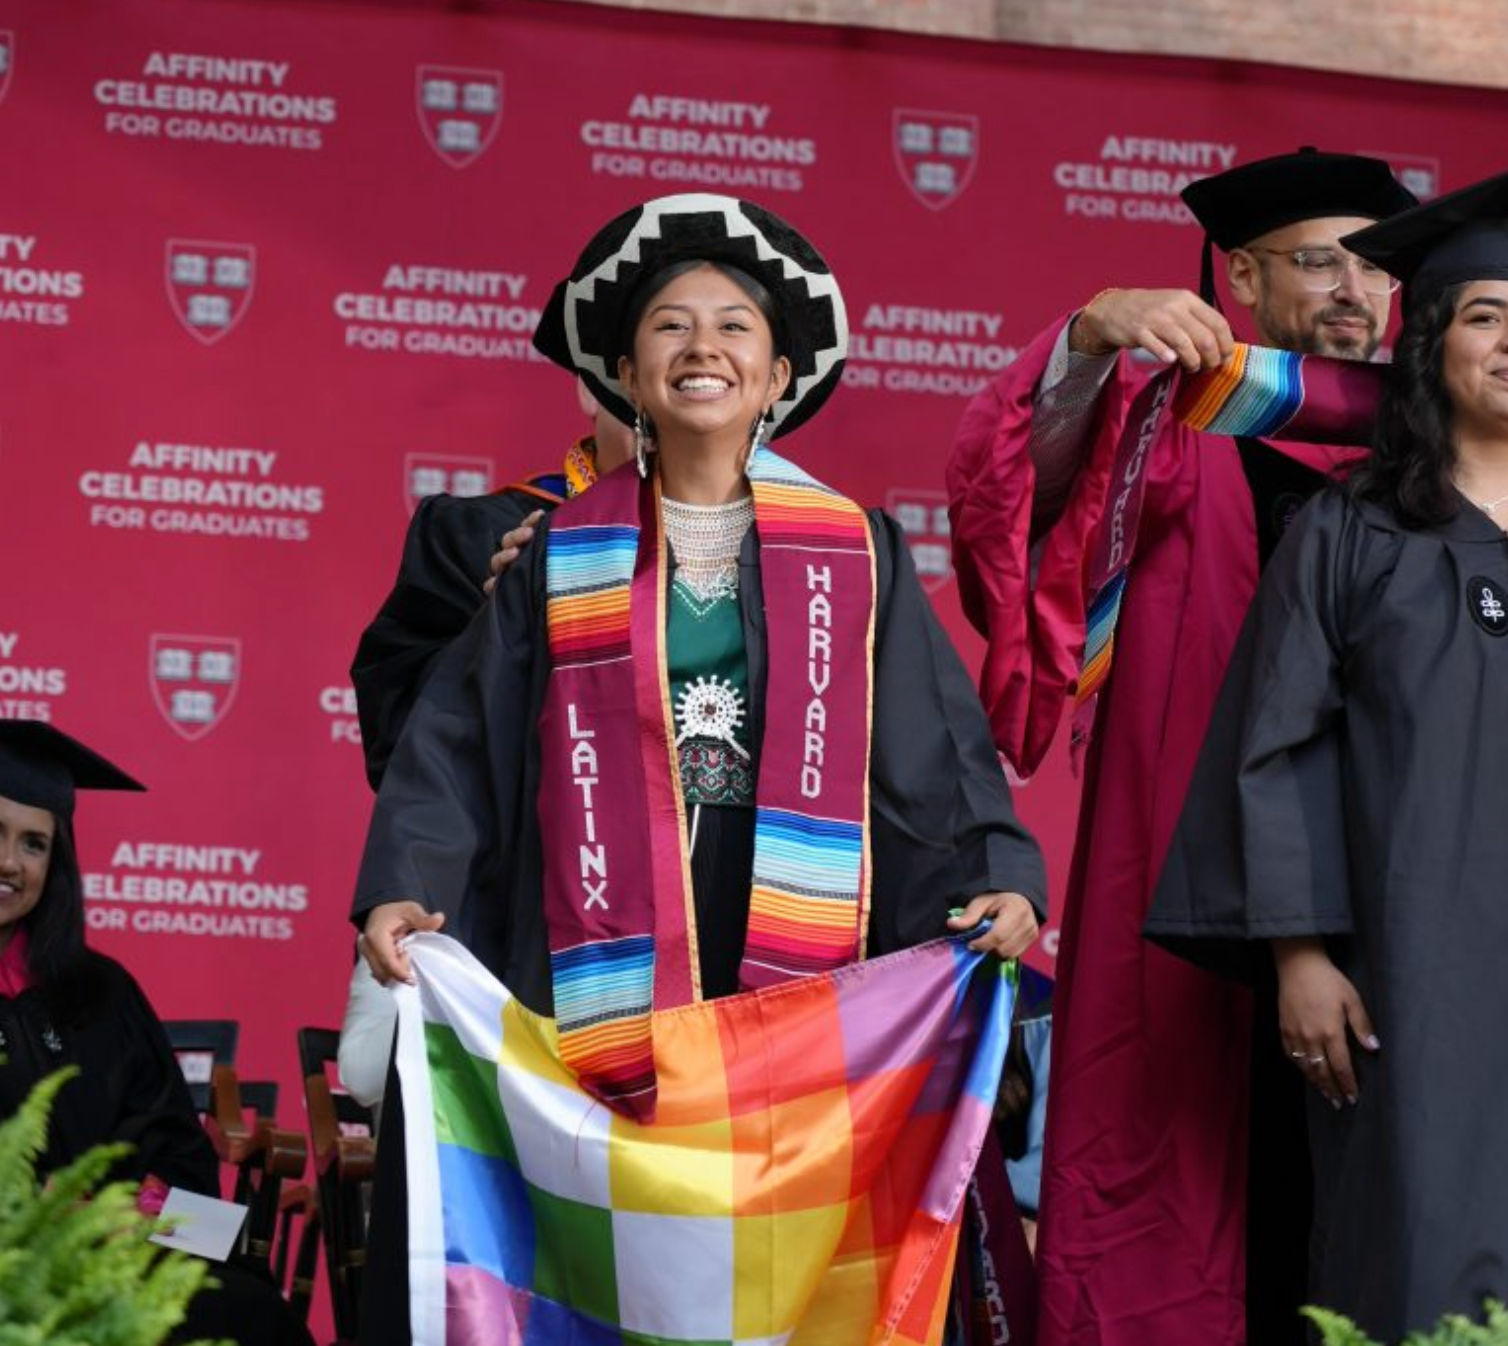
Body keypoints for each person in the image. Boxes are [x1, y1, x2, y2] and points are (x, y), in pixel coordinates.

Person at [352, 193, 1048, 1342]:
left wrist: (992, 868)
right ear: (625, 370)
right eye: (670, 327)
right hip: (588, 926)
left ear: (778, 376)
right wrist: (402, 879)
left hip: (780, 925)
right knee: (609, 1237)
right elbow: (454, 737)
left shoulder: (857, 549)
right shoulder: (554, 556)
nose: (702, 348)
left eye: (734, 327)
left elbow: (929, 749)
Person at [946, 148, 1418, 1345]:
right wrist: (1085, 338)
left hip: (1394, 860)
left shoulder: (1432, 442)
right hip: (1191, 859)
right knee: (1185, 1159)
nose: (1354, 291)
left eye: (1373, 265)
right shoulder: (1165, 422)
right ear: (1242, 278)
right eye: (1318, 261)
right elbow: (1012, 499)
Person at [1148, 168, 1508, 1342]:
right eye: (1482, 316)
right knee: (1408, 1234)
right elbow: (1276, 741)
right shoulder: (1355, 527)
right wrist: (1299, 953)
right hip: (1408, 970)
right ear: (1432, 346)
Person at [0, 719, 313, 1346]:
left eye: (35, 844)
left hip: (123, 1251)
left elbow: (194, 1189)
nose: (10, 862)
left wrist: (136, 1212)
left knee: (249, 1305)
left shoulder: (101, 994)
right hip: (17, 1262)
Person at [350, 377, 634, 790]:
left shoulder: (756, 556)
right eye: (639, 376)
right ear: (591, 389)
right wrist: (507, 629)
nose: (663, 411)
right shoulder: (480, 537)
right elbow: (403, 755)